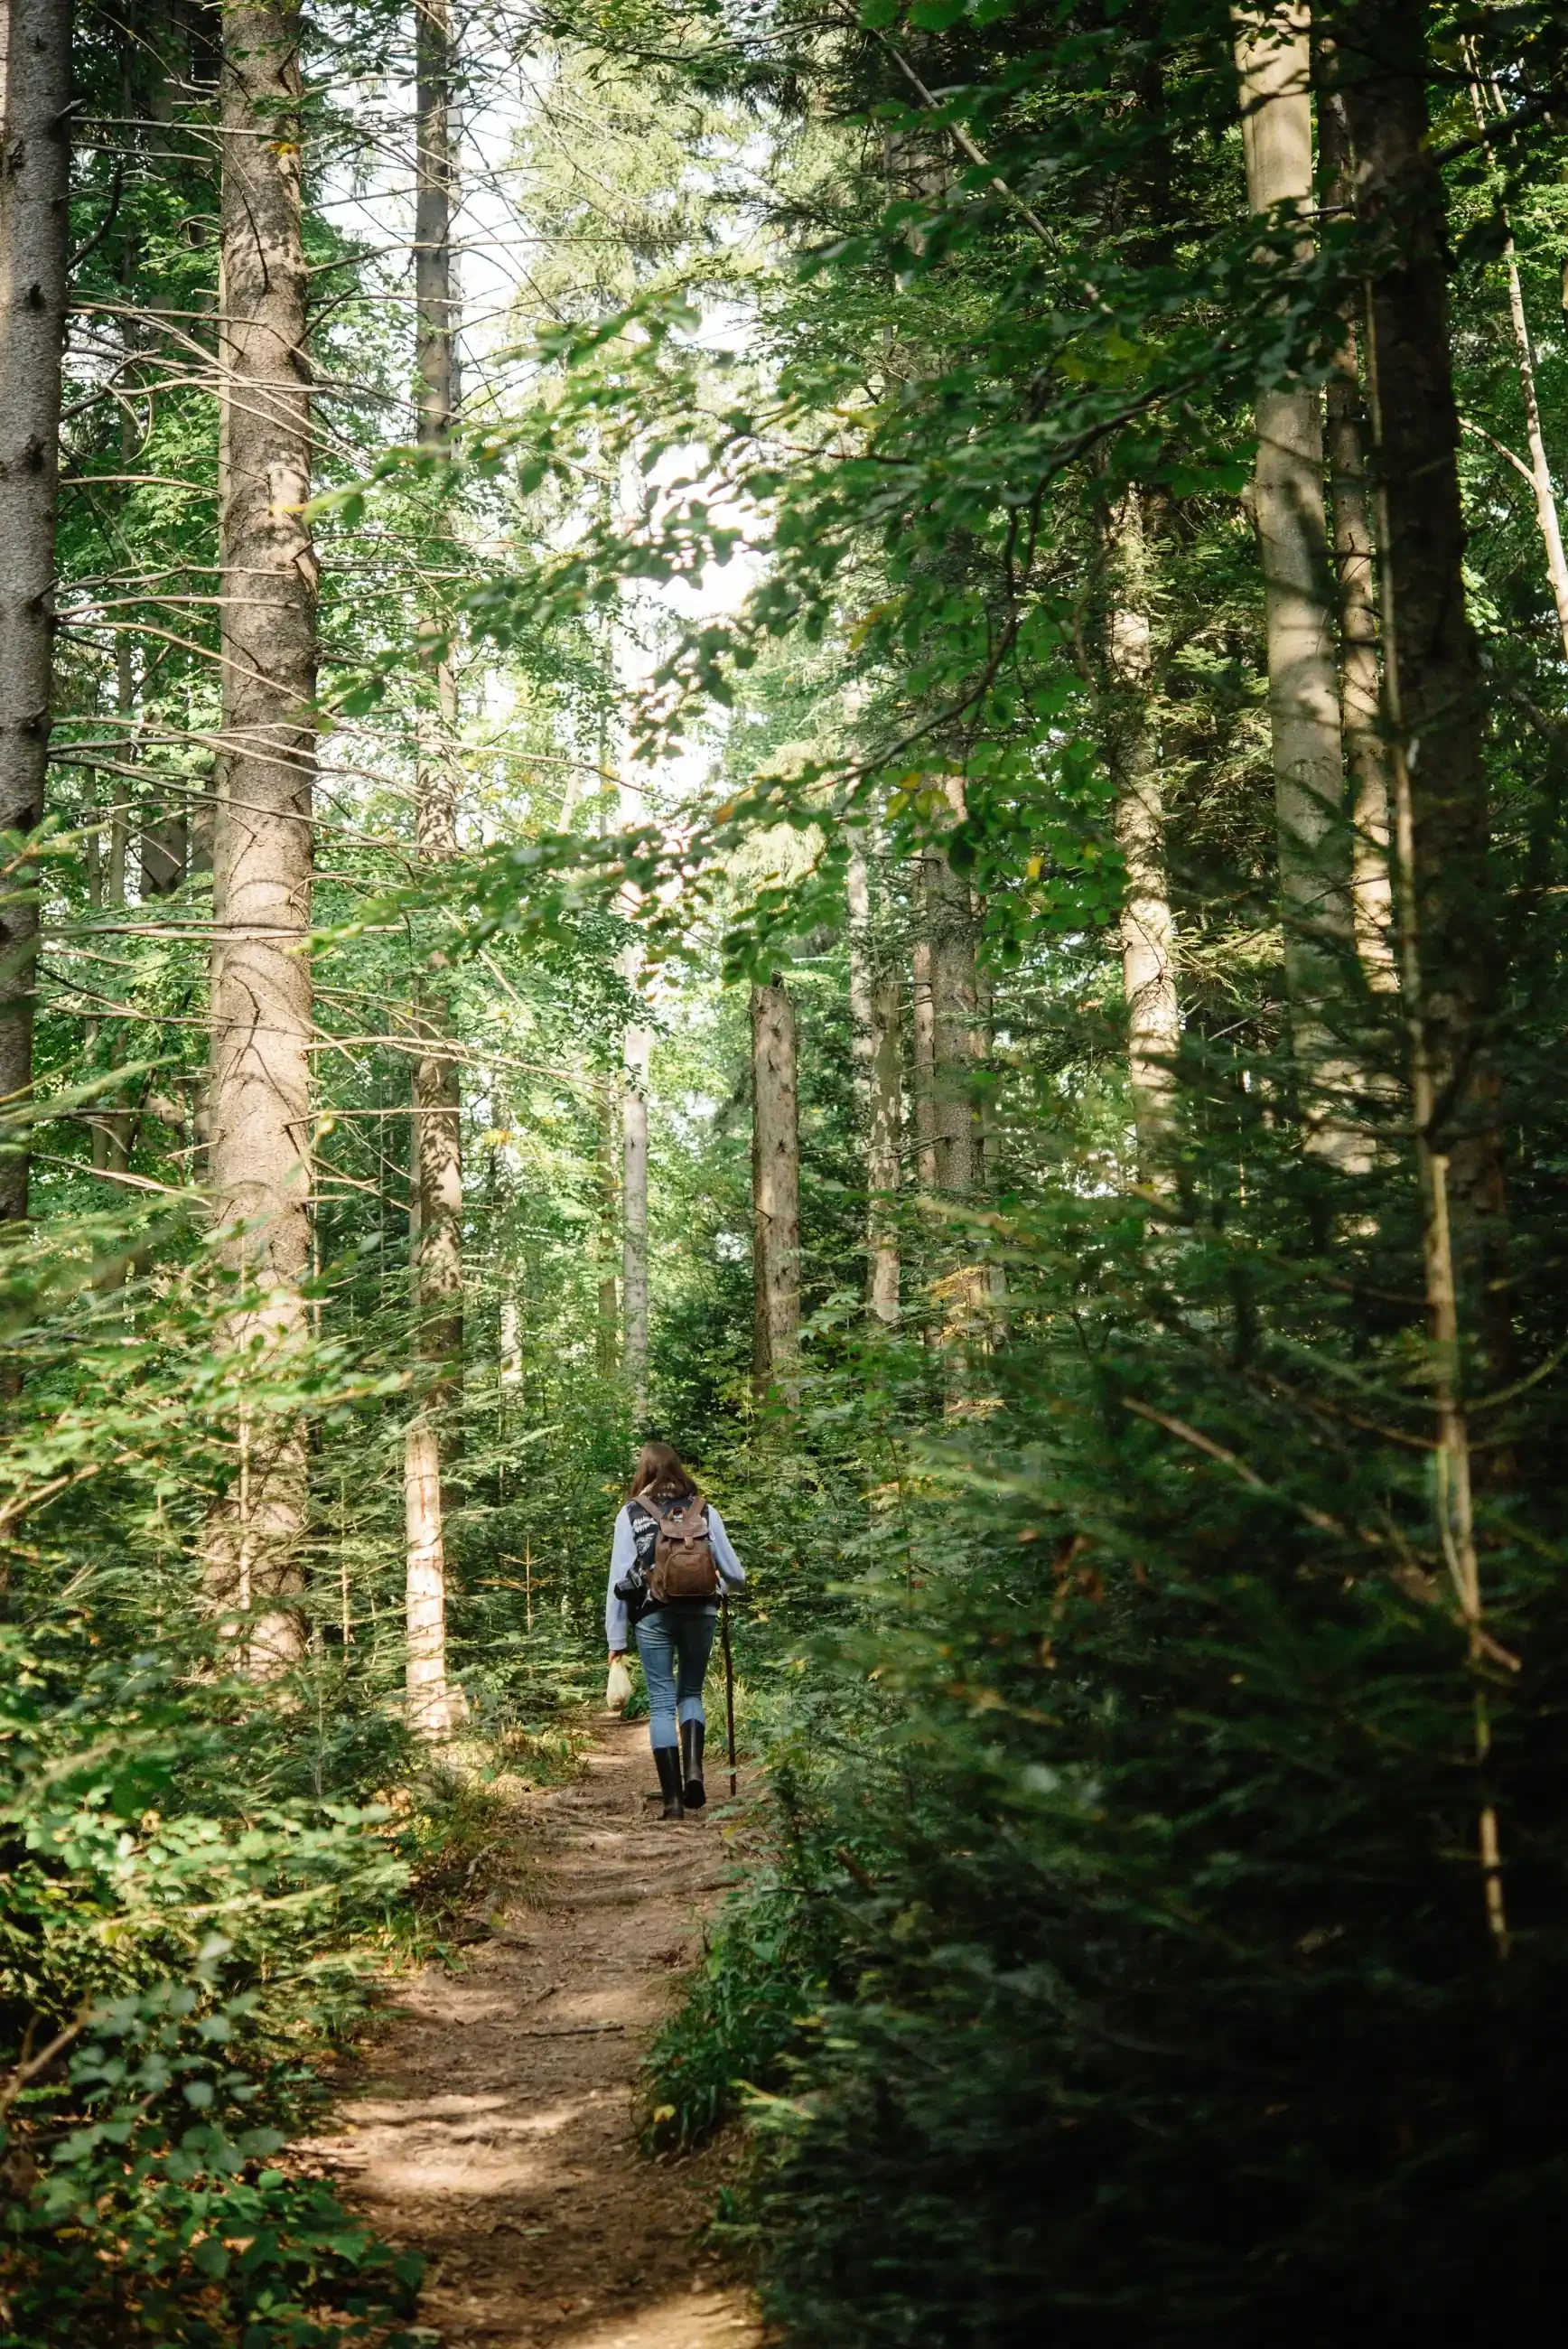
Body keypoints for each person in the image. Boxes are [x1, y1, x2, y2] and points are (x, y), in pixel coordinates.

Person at [605, 1441, 745, 1820]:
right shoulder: (704, 1510)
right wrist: (718, 1590)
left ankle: (672, 1803)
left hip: (653, 1614)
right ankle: (695, 1772)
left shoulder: (631, 1513)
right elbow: (737, 1576)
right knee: (691, 1692)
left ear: (645, 1472)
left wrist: (615, 1641)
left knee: (662, 1703)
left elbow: (619, 1581)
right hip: (701, 1611)